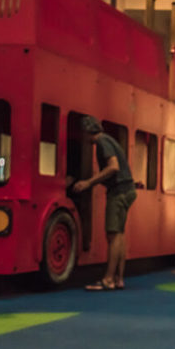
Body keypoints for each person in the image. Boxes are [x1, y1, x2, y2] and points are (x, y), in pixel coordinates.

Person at [72, 116, 136, 290]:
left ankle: (108, 279)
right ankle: (118, 279)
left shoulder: (101, 142)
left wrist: (88, 182)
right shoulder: (109, 140)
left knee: (113, 235)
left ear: (87, 132)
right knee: (120, 235)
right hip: (128, 190)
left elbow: (113, 166)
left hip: (119, 192)